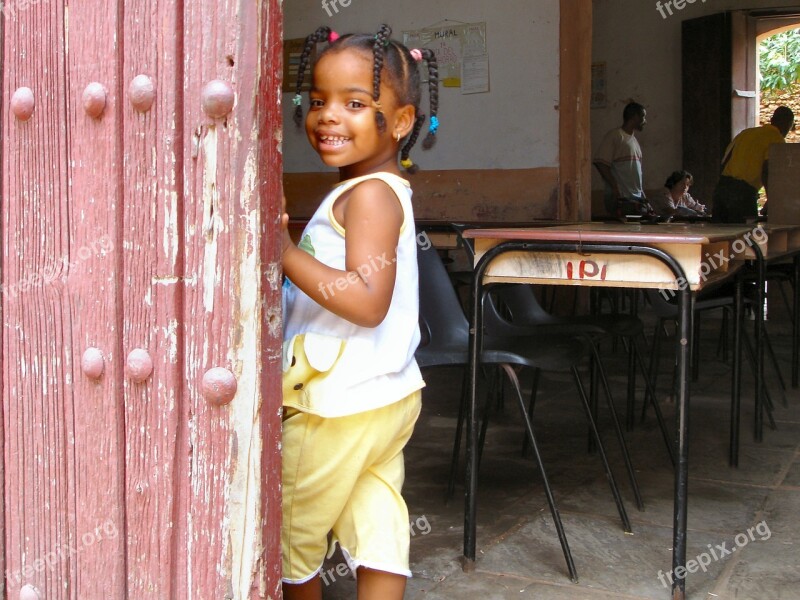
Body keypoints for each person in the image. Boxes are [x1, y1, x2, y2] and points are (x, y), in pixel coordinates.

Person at [280, 24, 439, 600]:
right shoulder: (378, 188)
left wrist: (282, 252)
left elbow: (366, 301)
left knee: (292, 530)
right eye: (318, 100)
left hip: (337, 403)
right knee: (376, 518)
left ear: (400, 122)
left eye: (354, 103)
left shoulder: (369, 192)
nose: (328, 116)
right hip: (383, 396)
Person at [711, 106, 794, 223]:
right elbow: (767, 170)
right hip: (743, 195)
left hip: (722, 189)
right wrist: (772, 201)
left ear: (771, 120)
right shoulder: (777, 139)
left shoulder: (745, 133)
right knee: (745, 237)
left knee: (720, 237)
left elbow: (725, 161)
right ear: (788, 124)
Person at [593, 101, 652, 216]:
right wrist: (615, 188)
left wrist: (643, 196)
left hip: (635, 199)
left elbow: (636, 174)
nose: (645, 121)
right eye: (643, 117)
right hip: (622, 199)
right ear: (634, 117)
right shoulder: (615, 136)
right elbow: (600, 163)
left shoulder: (634, 141)